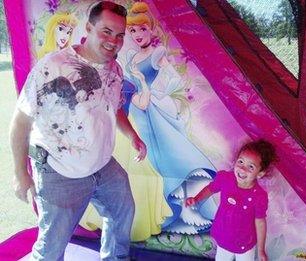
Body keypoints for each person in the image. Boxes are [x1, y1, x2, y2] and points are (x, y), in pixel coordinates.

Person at [9, 2, 146, 260]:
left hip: (102, 166)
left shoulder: (114, 69)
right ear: (89, 27)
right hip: (59, 171)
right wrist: (20, 174)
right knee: (51, 247)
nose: (113, 41)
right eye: (106, 31)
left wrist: (133, 136)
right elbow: (20, 122)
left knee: (122, 212)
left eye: (119, 35)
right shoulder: (54, 66)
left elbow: (113, 107)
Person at [122, 1, 218, 234]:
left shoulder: (157, 53)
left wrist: (154, 92)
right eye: (133, 30)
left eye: (142, 29)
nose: (137, 35)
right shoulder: (131, 57)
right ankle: (160, 212)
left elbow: (174, 78)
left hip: (155, 112)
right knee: (150, 162)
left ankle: (189, 212)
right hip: (139, 114)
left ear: (152, 28)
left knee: (171, 158)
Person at [186, 139, 277, 261]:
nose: (243, 169)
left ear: (260, 173)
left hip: (245, 244)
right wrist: (196, 198)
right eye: (241, 162)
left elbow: (260, 223)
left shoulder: (259, 196)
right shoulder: (225, 179)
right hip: (224, 238)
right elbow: (211, 188)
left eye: (251, 167)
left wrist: (261, 250)